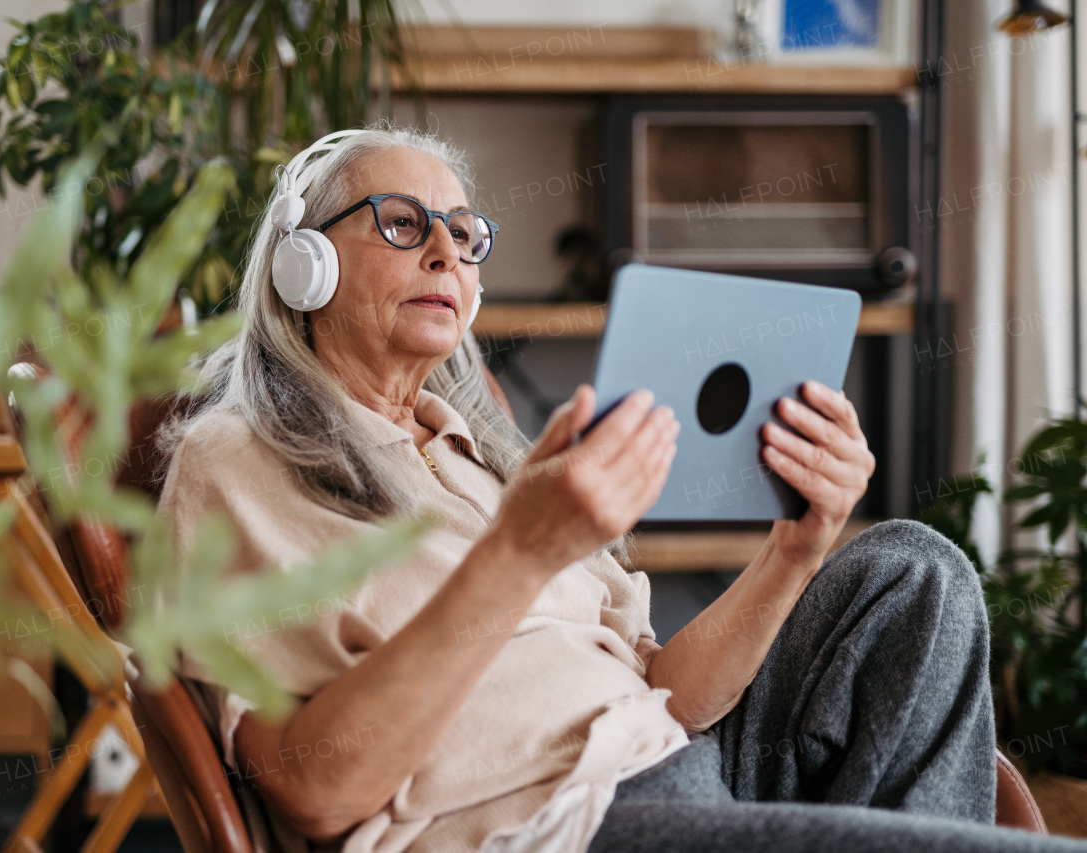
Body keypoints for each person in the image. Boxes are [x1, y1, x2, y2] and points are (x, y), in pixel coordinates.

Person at [157, 124, 1087, 853]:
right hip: (545, 823)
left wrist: (797, 547)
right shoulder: (239, 458)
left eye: (465, 233)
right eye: (402, 223)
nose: (446, 251)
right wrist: (519, 555)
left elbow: (665, 693)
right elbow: (313, 794)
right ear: (301, 265)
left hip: (677, 765)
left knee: (915, 570)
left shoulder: (483, 459)